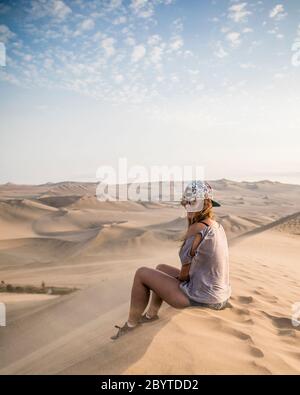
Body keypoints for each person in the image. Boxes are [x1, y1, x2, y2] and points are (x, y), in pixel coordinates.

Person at [111, 180, 231, 340]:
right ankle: (150, 315)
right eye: (187, 203)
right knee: (160, 268)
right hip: (220, 296)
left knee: (142, 273)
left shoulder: (197, 229)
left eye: (191, 202)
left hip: (203, 299)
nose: (188, 207)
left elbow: (184, 274)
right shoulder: (217, 226)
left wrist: (175, 280)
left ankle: (131, 326)